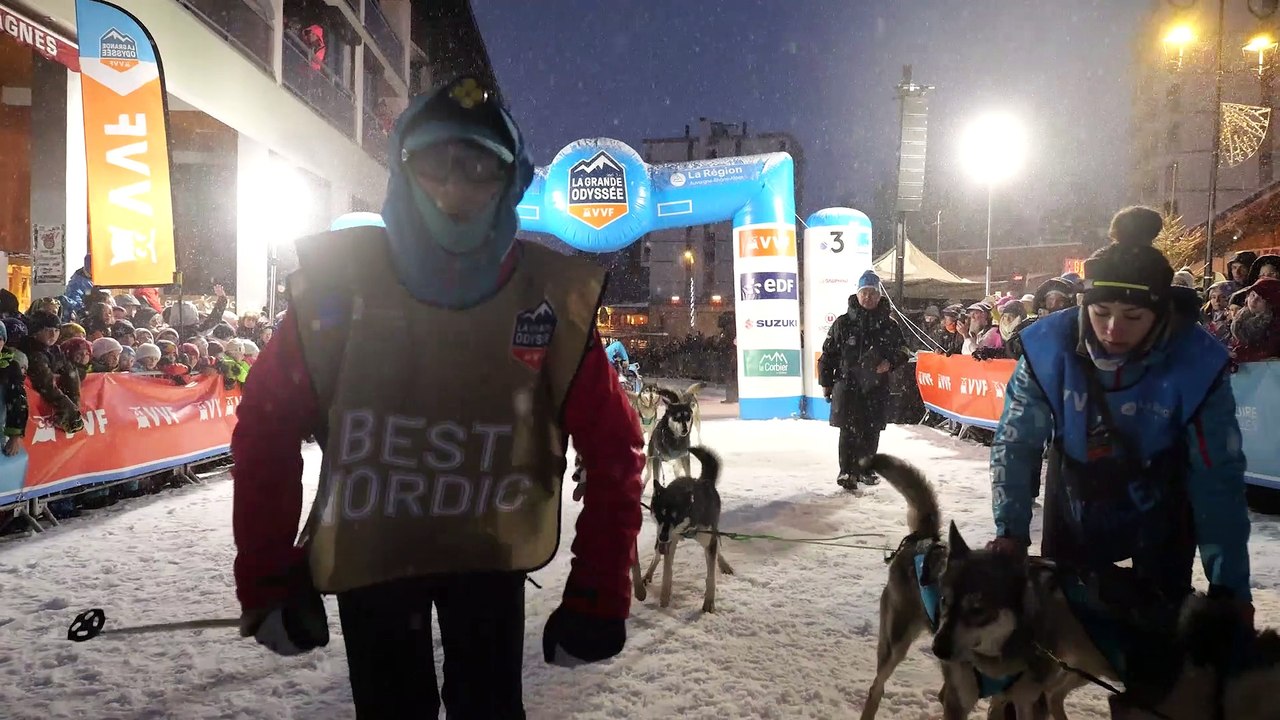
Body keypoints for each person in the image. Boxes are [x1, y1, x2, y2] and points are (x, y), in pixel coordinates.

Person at [230, 76, 644, 719]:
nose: (454, 189)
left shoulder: (549, 300)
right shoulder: (339, 288)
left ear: (510, 181)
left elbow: (616, 448)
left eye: (479, 167)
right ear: (403, 170)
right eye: (434, 165)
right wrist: (267, 572)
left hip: (487, 553)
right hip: (376, 556)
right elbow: (265, 428)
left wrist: (600, 587)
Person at [989, 206, 1251, 614]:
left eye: (1132, 316)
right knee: (1061, 627)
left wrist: (1229, 587)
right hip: (1075, 490)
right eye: (1100, 313)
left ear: (1161, 312)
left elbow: (1217, 479)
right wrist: (1010, 531)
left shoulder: (1197, 363)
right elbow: (1016, 441)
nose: (1113, 329)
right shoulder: (1049, 348)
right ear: (1083, 307)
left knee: (1156, 640)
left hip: (1161, 500)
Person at [819, 270, 907, 490]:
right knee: (848, 431)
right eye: (864, 292)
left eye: (872, 293)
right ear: (857, 295)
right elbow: (828, 354)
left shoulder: (890, 325)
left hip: (876, 387)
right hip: (848, 386)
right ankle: (847, 472)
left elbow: (904, 351)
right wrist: (826, 383)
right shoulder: (843, 323)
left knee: (871, 431)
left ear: (879, 296)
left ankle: (866, 470)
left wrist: (890, 362)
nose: (868, 297)